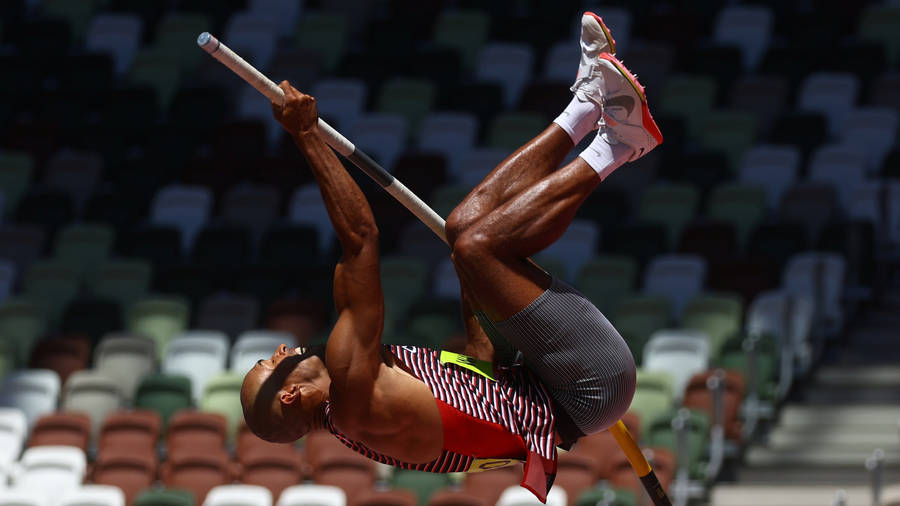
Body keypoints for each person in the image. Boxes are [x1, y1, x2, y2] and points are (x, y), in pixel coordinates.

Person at [240, 12, 662, 502]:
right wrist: (306, 134)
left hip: (555, 384)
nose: (277, 353)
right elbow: (360, 238)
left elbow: (483, 364)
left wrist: (472, 282)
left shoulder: (366, 416)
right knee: (478, 247)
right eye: (267, 364)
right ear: (290, 394)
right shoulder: (352, 387)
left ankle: (586, 105)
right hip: (587, 384)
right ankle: (619, 143)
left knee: (464, 233)